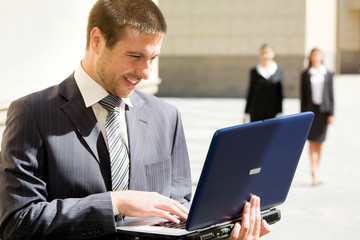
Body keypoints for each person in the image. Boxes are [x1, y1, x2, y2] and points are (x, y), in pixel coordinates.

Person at [0, 0, 271, 239]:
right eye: (135, 56)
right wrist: (114, 203)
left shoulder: (167, 117)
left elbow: (179, 218)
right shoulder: (32, 113)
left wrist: (224, 235)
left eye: (153, 58)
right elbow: (17, 222)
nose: (146, 73)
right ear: (97, 40)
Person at [300, 48, 334, 186]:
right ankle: (314, 171)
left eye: (318, 54)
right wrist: (303, 116)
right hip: (311, 111)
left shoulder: (328, 73)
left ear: (322, 57)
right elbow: (302, 97)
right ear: (310, 57)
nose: (316, 57)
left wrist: (331, 113)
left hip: (323, 111)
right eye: (314, 55)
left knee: (320, 142)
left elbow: (331, 95)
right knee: (312, 142)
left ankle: (316, 169)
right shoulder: (306, 74)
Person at [243, 44, 284, 123]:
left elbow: (280, 93)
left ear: (273, 54)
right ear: (260, 54)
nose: (265, 54)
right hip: (256, 111)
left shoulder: (279, 71)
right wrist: (246, 113)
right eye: (263, 52)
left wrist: (280, 112)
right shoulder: (254, 71)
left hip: (272, 111)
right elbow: (250, 92)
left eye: (268, 52)